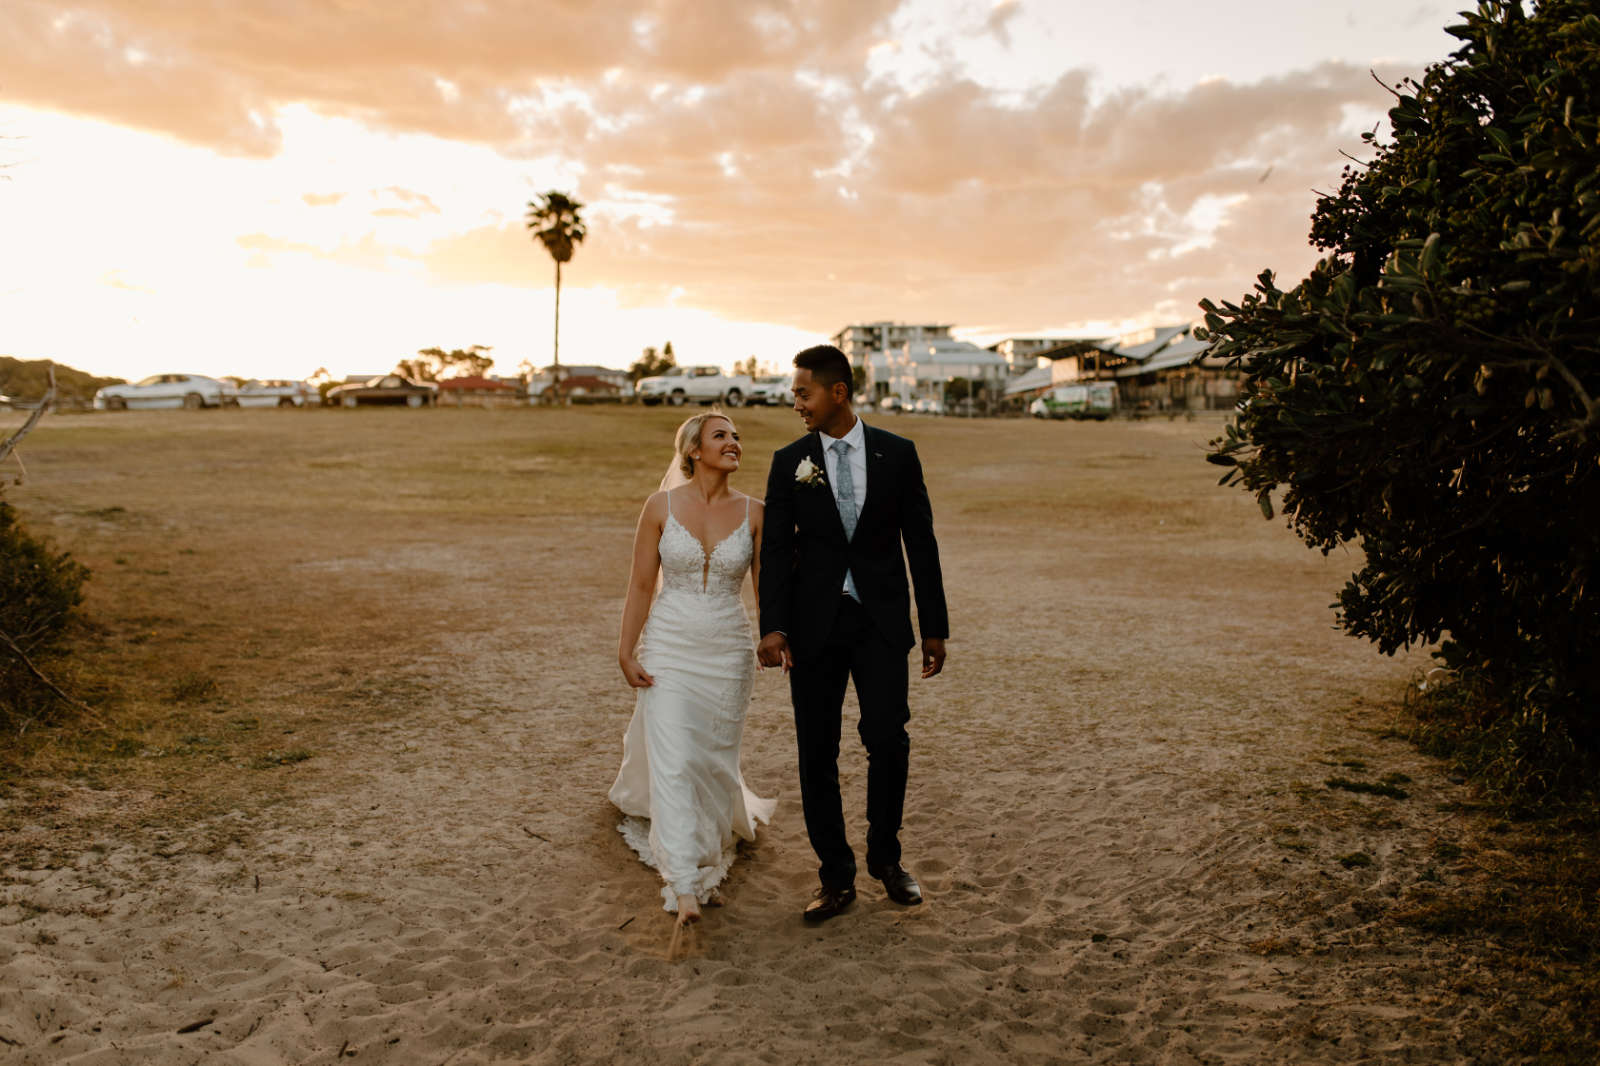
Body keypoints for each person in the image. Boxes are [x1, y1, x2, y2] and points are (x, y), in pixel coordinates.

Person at [757, 345, 949, 923]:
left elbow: (921, 542)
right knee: (817, 751)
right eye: (794, 394)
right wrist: (773, 625)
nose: (796, 403)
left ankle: (886, 861)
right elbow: (775, 551)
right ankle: (835, 876)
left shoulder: (898, 453)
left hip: (881, 624)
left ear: (837, 392)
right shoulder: (789, 459)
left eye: (803, 393)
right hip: (813, 628)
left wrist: (934, 626)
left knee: (889, 740)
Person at [610, 410, 776, 933]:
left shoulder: (755, 511)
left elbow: (764, 589)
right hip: (668, 649)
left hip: (727, 652)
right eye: (721, 436)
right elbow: (641, 584)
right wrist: (626, 650)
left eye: (737, 437)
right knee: (677, 761)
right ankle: (684, 884)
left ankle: (703, 844)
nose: (734, 443)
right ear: (693, 450)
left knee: (710, 760)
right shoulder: (659, 506)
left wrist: (777, 636)